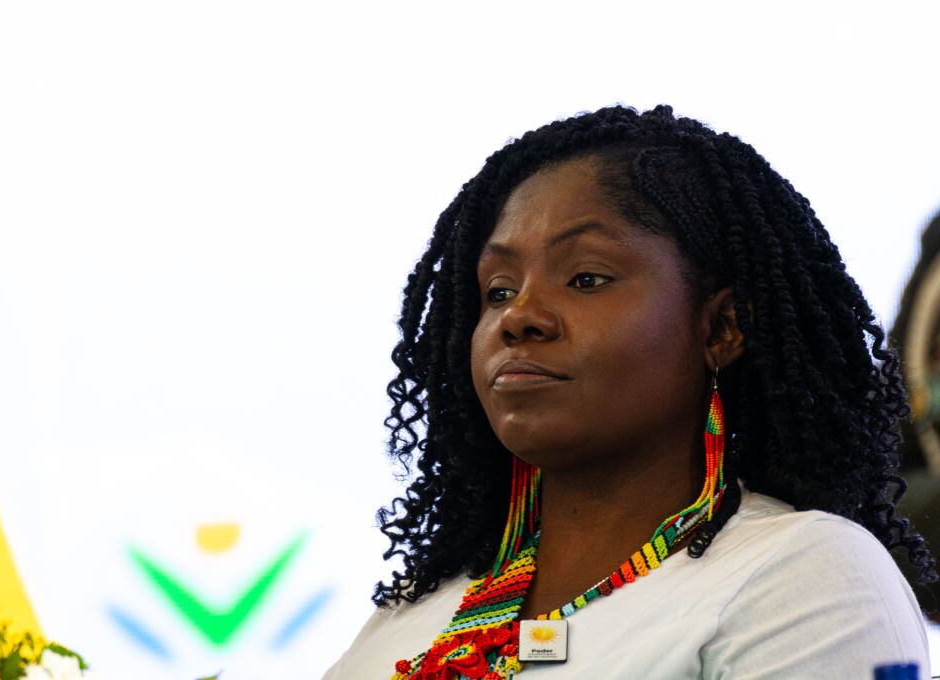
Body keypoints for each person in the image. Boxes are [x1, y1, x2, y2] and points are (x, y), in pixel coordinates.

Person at [322, 105, 936, 679]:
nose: (519, 318)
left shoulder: (804, 573)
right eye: (499, 291)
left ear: (723, 327)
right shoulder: (418, 607)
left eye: (586, 278)